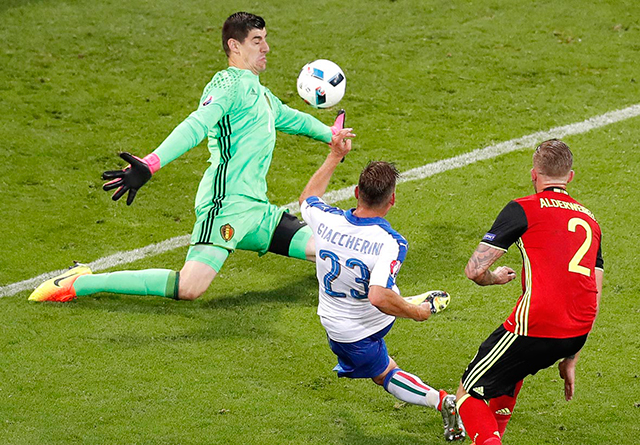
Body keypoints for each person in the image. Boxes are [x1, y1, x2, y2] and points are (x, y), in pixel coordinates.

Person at [29, 12, 345, 303]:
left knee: (330, 251)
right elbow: (196, 125)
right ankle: (81, 282)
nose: (266, 48)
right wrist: (151, 164)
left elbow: (290, 117)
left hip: (258, 212)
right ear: (235, 46)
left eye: (265, 39)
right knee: (189, 287)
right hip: (226, 207)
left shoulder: (260, 93)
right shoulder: (228, 84)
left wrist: (329, 135)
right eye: (257, 41)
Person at [299, 129, 465, 442]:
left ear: (356, 193)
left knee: (385, 373)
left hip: (348, 331)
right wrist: (414, 312)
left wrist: (335, 155)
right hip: (374, 318)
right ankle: (409, 302)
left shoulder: (326, 219)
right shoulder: (391, 242)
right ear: (392, 201)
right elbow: (377, 294)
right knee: (384, 288)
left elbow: (308, 198)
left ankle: (441, 400)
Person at [455, 139, 604, 445]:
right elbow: (594, 293)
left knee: (467, 394)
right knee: (510, 370)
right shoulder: (591, 221)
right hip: (577, 330)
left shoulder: (523, 208)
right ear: (570, 177)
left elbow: (474, 270)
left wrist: (494, 279)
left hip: (537, 323)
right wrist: (570, 358)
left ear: (534, 174)